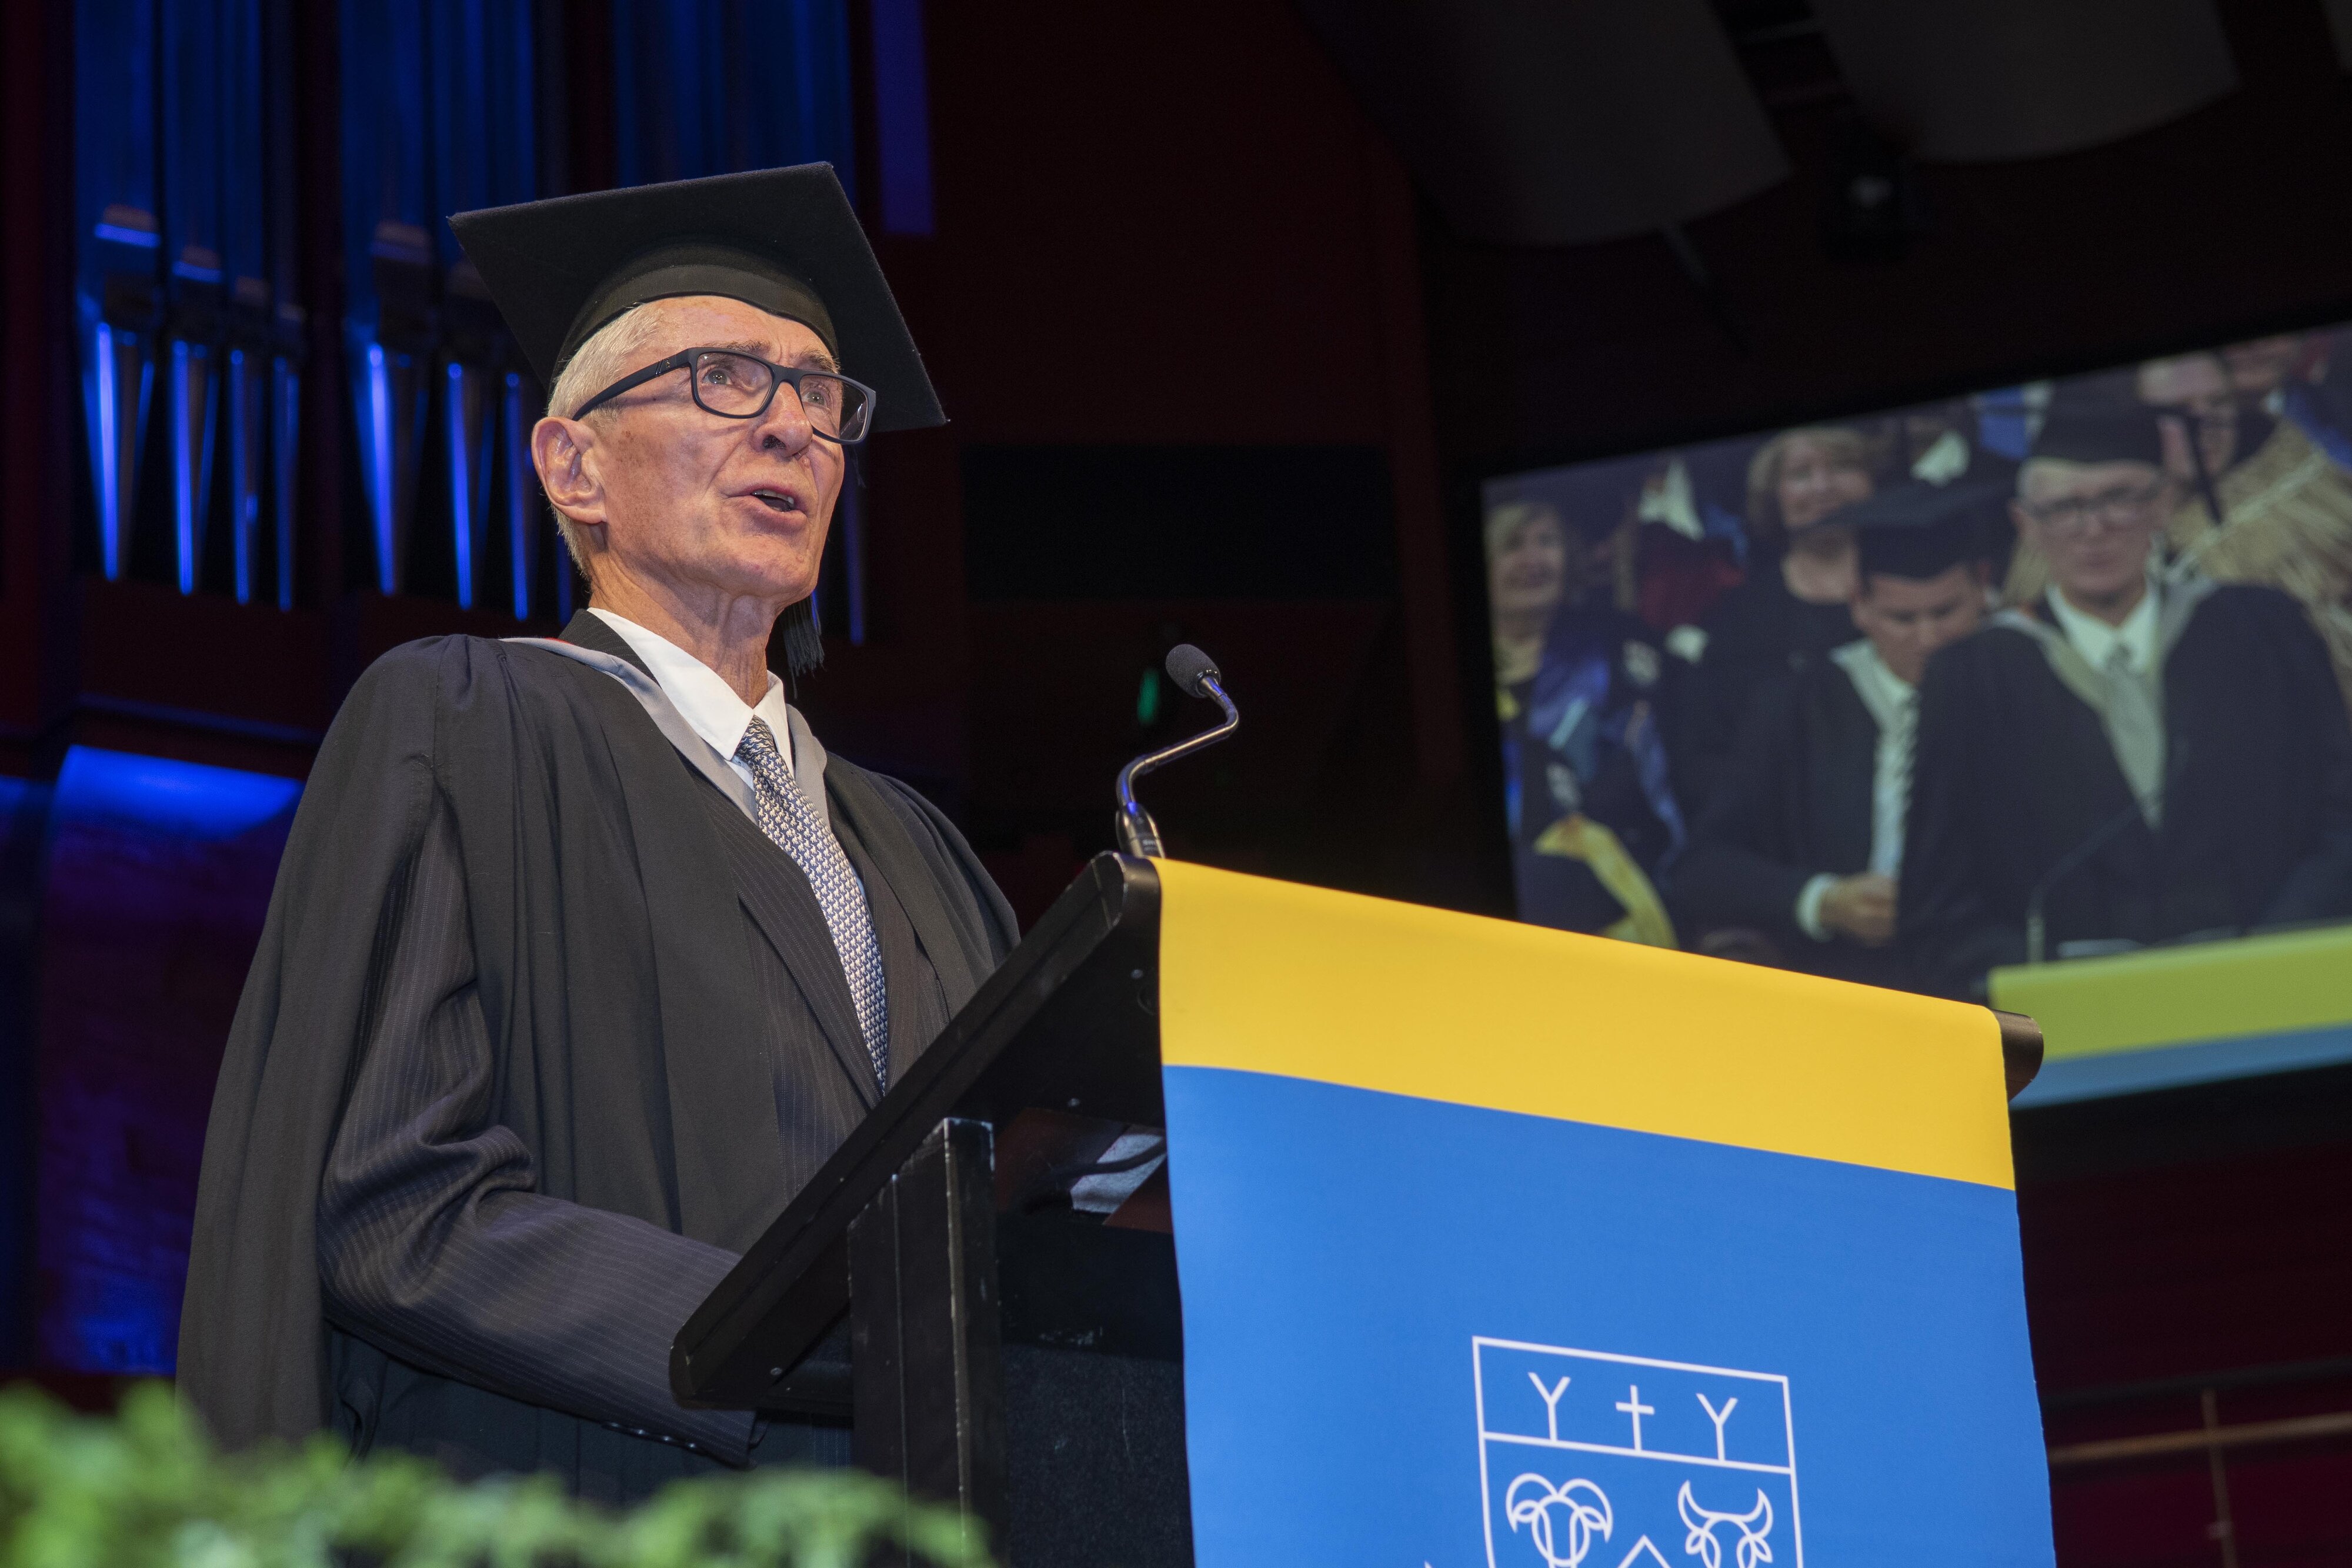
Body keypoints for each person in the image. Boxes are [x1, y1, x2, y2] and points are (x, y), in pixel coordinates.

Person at [176, 166, 1020, 1500]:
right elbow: (395, 1203)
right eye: (726, 380)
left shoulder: (920, 851)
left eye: (818, 396)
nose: (792, 427)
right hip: (584, 1503)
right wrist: (808, 1325)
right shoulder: (466, 722)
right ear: (574, 466)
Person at [1900, 406, 2352, 999]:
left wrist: (2268, 955)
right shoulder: (1971, 677)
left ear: (2163, 505)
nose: (2094, 529)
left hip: (2277, 989)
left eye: (2120, 498)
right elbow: (1938, 900)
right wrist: (2057, 981)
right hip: (2076, 1022)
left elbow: (2341, 819)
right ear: (2026, 524)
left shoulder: (2266, 631)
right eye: (2063, 508)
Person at [1677, 481, 1994, 990]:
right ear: (1859, 605)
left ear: (1982, 589)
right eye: (1901, 618)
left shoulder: (2021, 684)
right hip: (1850, 976)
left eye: (1946, 612)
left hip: (1994, 966)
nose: (1927, 639)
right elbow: (1703, 865)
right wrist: (1823, 900)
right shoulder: (1798, 706)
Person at [1487, 500, 1683, 945]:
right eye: (1512, 546)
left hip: (1606, 868)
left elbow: (1642, 769)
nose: (1533, 560)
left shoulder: (1616, 649)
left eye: (1547, 542)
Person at [1673, 424, 1890, 813]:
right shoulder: (1737, 620)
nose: (1823, 487)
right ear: (1773, 497)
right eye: (1800, 474)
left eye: (1841, 467)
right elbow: (1705, 760)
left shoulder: (1916, 589)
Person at [2137, 350, 2352, 712]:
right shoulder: (2110, 536)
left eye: (2218, 402)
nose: (2204, 422)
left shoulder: (2301, 494)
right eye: (2178, 409)